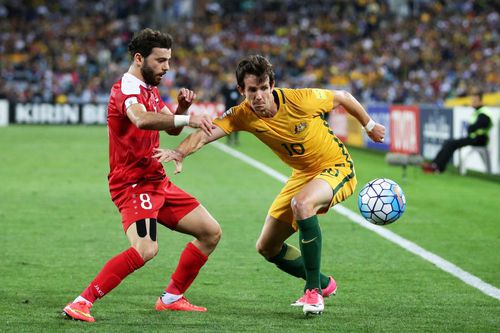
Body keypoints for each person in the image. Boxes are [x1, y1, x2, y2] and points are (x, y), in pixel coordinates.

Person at [154, 55, 385, 315]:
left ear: (272, 85)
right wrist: (181, 152)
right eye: (252, 90)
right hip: (303, 174)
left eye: (264, 88)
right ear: (242, 90)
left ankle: (313, 292)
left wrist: (370, 125)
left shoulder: (300, 100)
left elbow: (343, 96)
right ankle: (323, 283)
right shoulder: (242, 114)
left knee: (303, 203)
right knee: (267, 247)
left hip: (335, 166)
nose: (259, 95)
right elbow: (208, 132)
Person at [63, 28, 222, 322]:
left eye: (168, 60)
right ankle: (83, 301)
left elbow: (169, 128)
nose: (167, 67)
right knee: (146, 249)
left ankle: (172, 297)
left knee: (210, 232)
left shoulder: (148, 89)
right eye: (161, 60)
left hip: (156, 179)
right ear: (139, 58)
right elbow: (141, 119)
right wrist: (190, 117)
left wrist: (182, 107)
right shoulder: (127, 89)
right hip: (133, 184)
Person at [422, 91, 492, 174]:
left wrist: (471, 128)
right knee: (449, 142)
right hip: (474, 138)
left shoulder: (484, 113)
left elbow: (477, 126)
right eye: (472, 100)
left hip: (479, 139)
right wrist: (471, 128)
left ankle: (438, 167)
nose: (472, 102)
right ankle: (435, 164)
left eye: (475, 101)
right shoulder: (478, 112)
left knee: (451, 144)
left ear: (481, 101)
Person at [220, 74, 242, 145]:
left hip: (236, 109)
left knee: (236, 125)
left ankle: (236, 139)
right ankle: (229, 139)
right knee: (228, 125)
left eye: (231, 78)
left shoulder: (237, 88)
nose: (230, 79)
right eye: (229, 78)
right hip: (227, 109)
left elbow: (240, 96)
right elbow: (221, 94)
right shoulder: (225, 88)